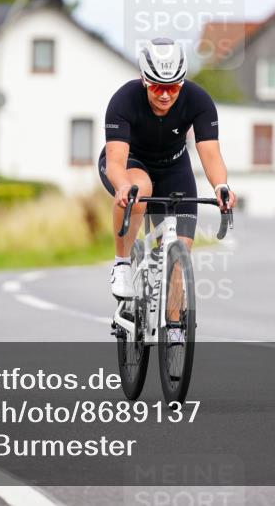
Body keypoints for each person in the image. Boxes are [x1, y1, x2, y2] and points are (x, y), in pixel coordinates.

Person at [97, 37, 237, 336]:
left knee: (179, 251)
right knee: (140, 189)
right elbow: (116, 162)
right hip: (132, 164)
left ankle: (174, 329)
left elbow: (210, 152)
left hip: (174, 168)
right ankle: (122, 263)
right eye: (157, 86)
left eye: (173, 86)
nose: (165, 95)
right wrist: (122, 186)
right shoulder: (124, 100)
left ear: (183, 82)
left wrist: (221, 186)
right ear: (144, 80)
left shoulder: (198, 100)